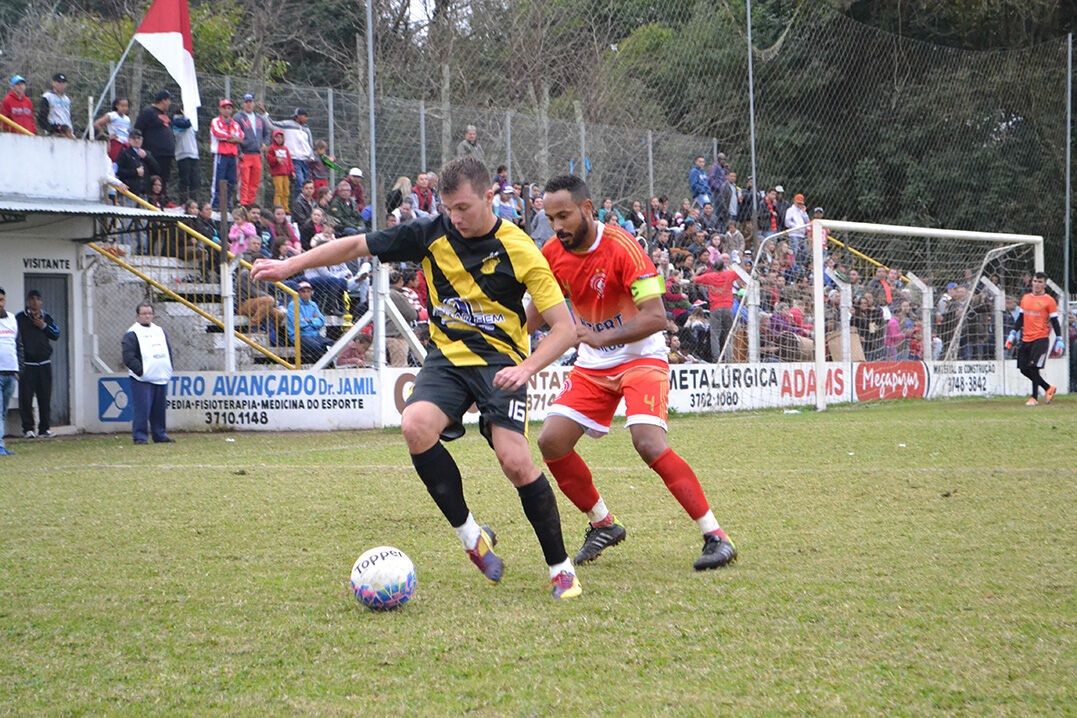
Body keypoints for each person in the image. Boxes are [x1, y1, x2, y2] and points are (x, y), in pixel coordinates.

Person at [251, 155, 583, 599]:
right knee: (415, 426)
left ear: (490, 198)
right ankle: (472, 537)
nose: (456, 217)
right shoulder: (430, 233)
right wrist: (289, 267)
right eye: (449, 209)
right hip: (446, 360)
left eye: (465, 207)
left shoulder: (521, 249)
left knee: (515, 461)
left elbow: (564, 328)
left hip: (501, 362)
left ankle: (561, 568)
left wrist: (525, 367)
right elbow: (354, 247)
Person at [534, 174, 737, 572]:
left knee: (647, 442)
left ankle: (716, 535)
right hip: (594, 364)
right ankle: (603, 524)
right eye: (550, 217)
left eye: (564, 215)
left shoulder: (625, 247)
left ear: (587, 209)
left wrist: (594, 335)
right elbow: (536, 314)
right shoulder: (551, 253)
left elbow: (657, 317)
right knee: (551, 442)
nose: (557, 226)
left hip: (641, 356)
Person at [121, 303, 174, 444]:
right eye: (144, 314)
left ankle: (160, 434)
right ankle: (140, 436)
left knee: (159, 409)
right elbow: (128, 356)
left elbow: (167, 350)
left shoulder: (159, 331)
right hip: (142, 379)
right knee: (142, 409)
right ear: (138, 316)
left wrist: (168, 367)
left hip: (160, 376)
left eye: (149, 313)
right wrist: (141, 371)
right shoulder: (132, 333)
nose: (147, 316)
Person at [1006, 271, 1062, 406]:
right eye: (1035, 281)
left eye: (1040, 282)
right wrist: (1013, 333)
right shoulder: (1026, 298)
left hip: (1041, 339)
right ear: (1032, 282)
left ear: (1045, 285)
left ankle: (1034, 398)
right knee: (1023, 368)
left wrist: (1059, 339)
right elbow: (1021, 319)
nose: (1037, 284)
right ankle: (1048, 388)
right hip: (1026, 339)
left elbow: (1054, 321)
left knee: (1033, 368)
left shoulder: (1049, 301)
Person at [15, 290, 60, 439]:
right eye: (32, 299)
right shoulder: (20, 318)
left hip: (44, 364)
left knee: (45, 397)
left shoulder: (46, 317)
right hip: (28, 364)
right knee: (26, 398)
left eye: (38, 299)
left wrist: (43, 326)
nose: (35, 302)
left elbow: (56, 334)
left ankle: (44, 428)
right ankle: (28, 429)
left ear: (41, 301)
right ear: (28, 301)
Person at [693, 258, 738, 361]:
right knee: (728, 334)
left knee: (715, 335)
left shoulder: (709, 277)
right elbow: (740, 273)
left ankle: (716, 358)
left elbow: (694, 279)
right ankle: (729, 358)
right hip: (728, 307)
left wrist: (696, 272)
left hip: (715, 307)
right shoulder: (729, 274)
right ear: (723, 267)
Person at [235, 93, 273, 206]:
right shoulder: (238, 117)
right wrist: (239, 151)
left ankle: (250, 203)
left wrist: (265, 144)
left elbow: (267, 134)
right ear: (243, 103)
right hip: (245, 154)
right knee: (244, 181)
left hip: (257, 155)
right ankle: (243, 203)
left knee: (255, 181)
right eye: (246, 102)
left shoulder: (259, 118)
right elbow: (234, 135)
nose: (248, 104)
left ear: (254, 103)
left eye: (250, 102)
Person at [134, 91, 175, 190]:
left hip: (166, 154)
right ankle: (151, 200)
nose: (170, 103)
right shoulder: (148, 112)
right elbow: (138, 129)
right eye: (169, 100)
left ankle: (163, 200)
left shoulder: (165, 115)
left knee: (164, 179)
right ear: (163, 100)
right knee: (155, 179)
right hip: (154, 153)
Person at [285, 281, 333, 362]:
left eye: (308, 291)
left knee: (332, 344)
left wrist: (310, 320)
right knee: (316, 347)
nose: (306, 294)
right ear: (298, 293)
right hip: (300, 336)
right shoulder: (293, 305)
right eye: (303, 291)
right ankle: (317, 368)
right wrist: (315, 321)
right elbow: (299, 324)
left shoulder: (313, 304)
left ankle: (328, 366)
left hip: (314, 334)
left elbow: (322, 321)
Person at [272, 107, 315, 195]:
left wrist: (312, 157)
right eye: (304, 116)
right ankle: (298, 204)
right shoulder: (287, 125)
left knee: (307, 184)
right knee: (299, 182)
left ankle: (306, 203)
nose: (306, 118)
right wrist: (265, 114)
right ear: (298, 116)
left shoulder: (306, 129)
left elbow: (310, 144)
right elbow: (272, 124)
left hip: (305, 160)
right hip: (294, 159)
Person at [210, 99, 242, 209]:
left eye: (229, 108)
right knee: (219, 179)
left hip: (233, 156)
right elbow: (217, 133)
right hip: (221, 155)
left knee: (232, 180)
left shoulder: (235, 124)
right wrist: (231, 137)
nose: (227, 110)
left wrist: (231, 138)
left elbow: (241, 137)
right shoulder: (215, 121)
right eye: (224, 108)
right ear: (220, 109)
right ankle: (216, 203)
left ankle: (227, 203)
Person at [114, 130, 159, 198]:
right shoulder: (124, 153)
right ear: (129, 140)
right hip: (129, 193)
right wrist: (135, 172)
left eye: (138, 138)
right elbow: (118, 171)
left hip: (144, 194)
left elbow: (157, 169)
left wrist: (147, 157)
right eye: (134, 138)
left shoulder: (146, 153)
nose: (136, 140)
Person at [0, 287, 18, 455]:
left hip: (10, 373)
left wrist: (19, 369)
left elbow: (18, 345)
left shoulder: (12, 319)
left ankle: (1, 445)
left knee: (3, 411)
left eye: (1, 300)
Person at [172, 106, 198, 204]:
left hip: (193, 154)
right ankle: (183, 202)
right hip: (183, 155)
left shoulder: (191, 121)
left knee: (194, 180)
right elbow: (187, 124)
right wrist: (187, 115)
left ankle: (193, 202)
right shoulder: (176, 121)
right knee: (185, 180)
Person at [265, 129, 294, 212]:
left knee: (286, 191)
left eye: (281, 137)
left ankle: (286, 208)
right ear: (274, 138)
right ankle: (278, 207)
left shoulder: (285, 149)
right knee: (279, 191)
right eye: (277, 137)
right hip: (277, 174)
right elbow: (269, 160)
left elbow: (289, 160)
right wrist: (276, 160)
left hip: (286, 173)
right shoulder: (272, 148)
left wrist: (292, 171)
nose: (279, 139)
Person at [37, 73, 73, 138]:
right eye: (59, 82)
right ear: (53, 83)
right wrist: (53, 129)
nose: (61, 85)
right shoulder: (47, 97)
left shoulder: (67, 99)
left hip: (68, 132)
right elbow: (41, 118)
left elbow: (69, 117)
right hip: (54, 133)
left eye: (63, 82)